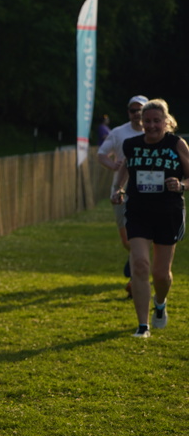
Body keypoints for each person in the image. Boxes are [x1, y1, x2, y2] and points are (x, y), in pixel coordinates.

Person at [110, 98, 189, 338]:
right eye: (147, 121)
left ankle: (160, 302)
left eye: (157, 121)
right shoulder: (132, 144)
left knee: (161, 274)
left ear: (166, 121)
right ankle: (143, 326)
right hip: (138, 212)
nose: (152, 125)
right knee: (140, 265)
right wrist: (118, 188)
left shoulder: (176, 144)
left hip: (168, 212)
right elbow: (125, 167)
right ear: (141, 122)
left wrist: (181, 185)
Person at [97, 95, 147, 295]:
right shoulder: (118, 132)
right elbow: (101, 154)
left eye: (140, 110)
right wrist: (113, 165)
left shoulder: (155, 132)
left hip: (147, 192)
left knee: (142, 237)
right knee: (127, 241)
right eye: (133, 110)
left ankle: (136, 278)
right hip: (122, 190)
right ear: (128, 112)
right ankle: (136, 261)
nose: (137, 114)